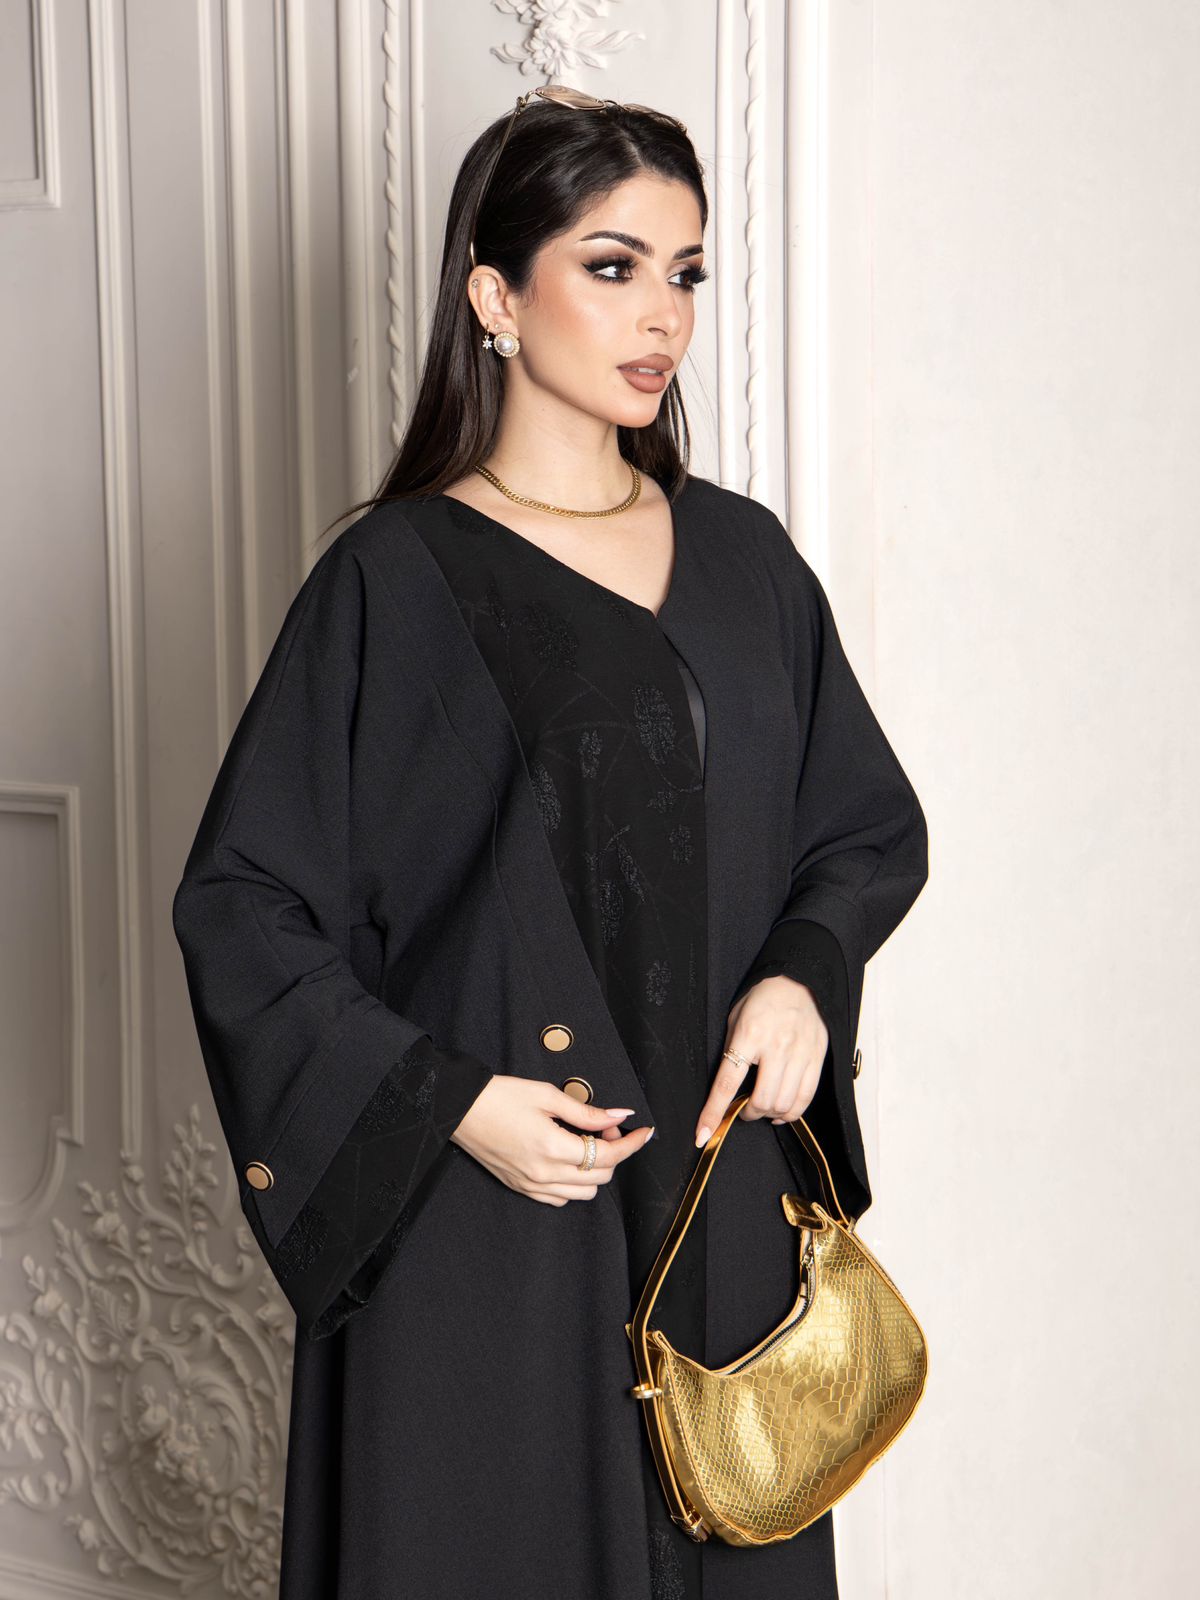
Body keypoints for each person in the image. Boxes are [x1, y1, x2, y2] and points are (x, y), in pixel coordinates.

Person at [172, 85, 929, 1600]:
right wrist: (449, 1103)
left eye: (686, 271)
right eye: (613, 265)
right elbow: (244, 904)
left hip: (715, 1202)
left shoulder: (745, 561)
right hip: (494, 1221)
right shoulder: (392, 581)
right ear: (495, 297)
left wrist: (805, 975)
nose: (663, 315)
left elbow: (857, 824)